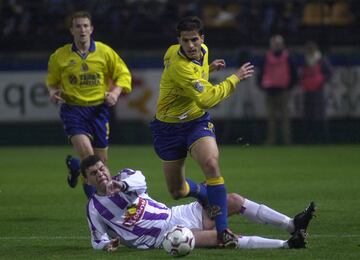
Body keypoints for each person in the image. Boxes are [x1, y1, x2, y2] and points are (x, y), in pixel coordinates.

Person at [149, 16, 254, 247]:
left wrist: (207, 68)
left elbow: (198, 88)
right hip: (167, 128)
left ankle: (222, 229)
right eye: (185, 41)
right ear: (178, 41)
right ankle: (204, 193)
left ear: (202, 38)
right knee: (177, 190)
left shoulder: (203, 51)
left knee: (211, 164)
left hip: (196, 121)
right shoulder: (178, 65)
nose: (190, 45)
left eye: (194, 40)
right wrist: (235, 78)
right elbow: (207, 98)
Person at [81, 155, 316, 251]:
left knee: (231, 200)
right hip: (163, 236)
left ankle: (292, 224)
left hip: (175, 214)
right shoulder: (94, 208)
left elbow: (140, 181)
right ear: (87, 180)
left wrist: (120, 186)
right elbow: (97, 239)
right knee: (222, 237)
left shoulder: (124, 176)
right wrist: (106, 245)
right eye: (94, 173)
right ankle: (287, 244)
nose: (100, 174)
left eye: (101, 168)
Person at [46, 11, 132, 198]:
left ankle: (77, 167)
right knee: (90, 159)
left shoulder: (105, 52)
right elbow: (52, 82)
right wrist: (53, 92)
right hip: (73, 110)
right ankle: (97, 207)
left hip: (98, 110)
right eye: (78, 26)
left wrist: (116, 93)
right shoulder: (60, 56)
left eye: (85, 26)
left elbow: (123, 74)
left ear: (91, 29)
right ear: (71, 30)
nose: (82, 29)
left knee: (100, 163)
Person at [257, 34, 298, 145]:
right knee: (273, 120)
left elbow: (293, 73)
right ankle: (275, 141)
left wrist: (290, 87)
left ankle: (284, 141)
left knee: (282, 119)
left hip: (282, 91)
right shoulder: (287, 56)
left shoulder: (269, 57)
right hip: (272, 91)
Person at [301, 41, 333, 143]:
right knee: (309, 115)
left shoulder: (321, 60)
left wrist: (321, 80)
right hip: (308, 90)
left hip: (318, 91)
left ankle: (322, 139)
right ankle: (311, 139)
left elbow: (329, 73)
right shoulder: (306, 60)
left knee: (319, 115)